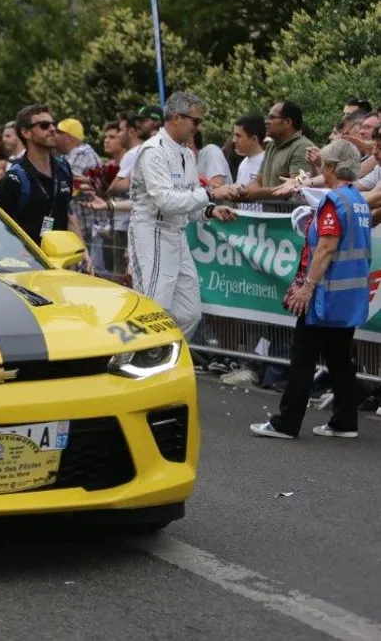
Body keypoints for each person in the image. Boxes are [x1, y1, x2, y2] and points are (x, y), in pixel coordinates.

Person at [250, 141, 371, 440]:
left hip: (325, 294)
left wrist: (307, 287)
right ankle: (345, 422)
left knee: (303, 358)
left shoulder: (333, 202)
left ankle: (286, 423)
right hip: (349, 296)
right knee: (340, 359)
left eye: (324, 165)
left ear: (330, 168)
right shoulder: (356, 199)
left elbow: (326, 247)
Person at [128, 92, 237, 339]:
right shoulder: (152, 151)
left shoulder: (187, 153)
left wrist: (210, 210)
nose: (198, 128)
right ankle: (144, 366)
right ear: (176, 117)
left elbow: (189, 197)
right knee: (154, 312)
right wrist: (211, 193)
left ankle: (166, 361)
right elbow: (165, 201)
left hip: (177, 234)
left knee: (190, 314)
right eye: (195, 121)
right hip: (151, 233)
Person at [0, 104, 92, 271]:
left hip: (60, 266)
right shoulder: (15, 178)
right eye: (44, 125)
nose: (52, 129)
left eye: (53, 124)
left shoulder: (63, 168)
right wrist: (16, 248)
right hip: (26, 269)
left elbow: (68, 212)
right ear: (26, 133)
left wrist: (83, 251)